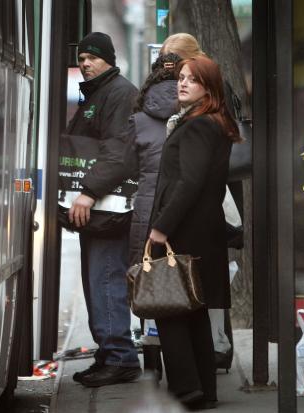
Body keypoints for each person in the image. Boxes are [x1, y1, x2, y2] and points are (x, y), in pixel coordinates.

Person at [148, 55, 240, 409]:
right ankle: (204, 391)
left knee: (170, 307)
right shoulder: (206, 121)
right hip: (199, 231)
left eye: (192, 79)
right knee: (193, 311)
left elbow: (189, 182)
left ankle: (186, 389)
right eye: (181, 77)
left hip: (186, 232)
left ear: (209, 88)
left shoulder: (200, 125)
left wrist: (161, 228)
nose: (182, 83)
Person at [64, 32, 141, 387]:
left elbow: (119, 153)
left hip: (109, 210)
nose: (85, 63)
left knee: (107, 278)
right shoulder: (100, 93)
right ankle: (109, 353)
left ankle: (121, 358)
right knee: (98, 280)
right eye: (81, 58)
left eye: (92, 57)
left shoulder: (119, 93)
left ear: (108, 59)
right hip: (100, 211)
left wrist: (88, 192)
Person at [127, 52, 182, 380]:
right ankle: (184, 364)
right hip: (185, 210)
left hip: (147, 212)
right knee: (181, 279)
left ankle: (151, 359)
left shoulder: (138, 118)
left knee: (149, 283)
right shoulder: (194, 113)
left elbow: (128, 166)